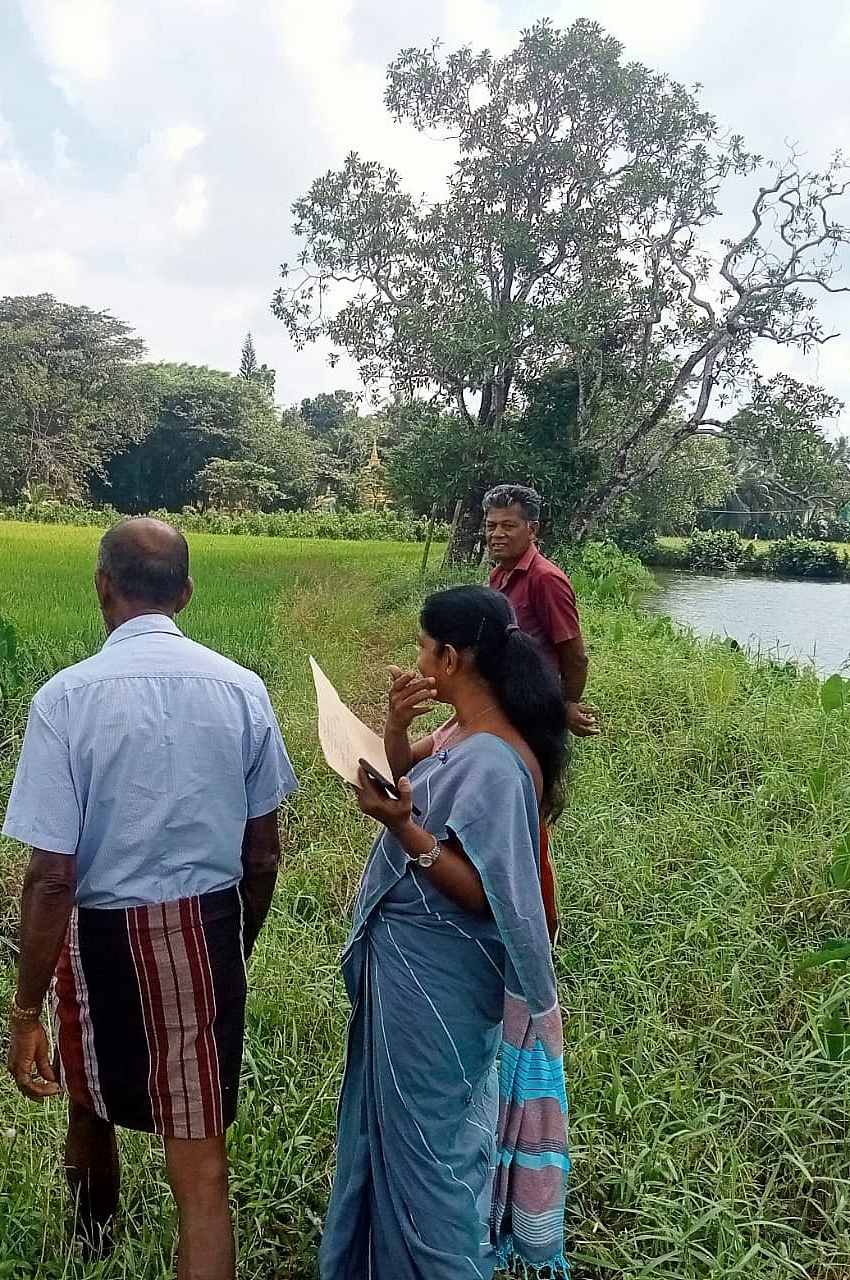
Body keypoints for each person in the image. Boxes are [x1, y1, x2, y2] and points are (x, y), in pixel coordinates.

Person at [1, 517, 297, 1280]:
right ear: (187, 594)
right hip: (206, 926)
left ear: (103, 587)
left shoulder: (64, 700)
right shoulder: (242, 690)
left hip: (99, 935)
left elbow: (52, 876)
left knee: (86, 1101)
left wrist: (26, 1011)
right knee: (201, 1166)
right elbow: (263, 854)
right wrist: (232, 947)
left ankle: (90, 1247)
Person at [321, 585, 570, 1280]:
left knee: (430, 1147)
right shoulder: (466, 728)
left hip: (437, 977)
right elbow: (404, 769)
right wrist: (394, 726)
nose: (418, 662)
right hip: (416, 966)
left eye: (424, 650)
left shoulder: (494, 760)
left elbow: (489, 893)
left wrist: (404, 829)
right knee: (403, 1127)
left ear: (452, 659)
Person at [482, 484, 598, 738]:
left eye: (508, 526)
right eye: (491, 526)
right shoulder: (499, 574)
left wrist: (564, 706)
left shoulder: (545, 579)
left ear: (532, 530)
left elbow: (575, 657)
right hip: (502, 702)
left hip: (535, 707)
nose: (497, 534)